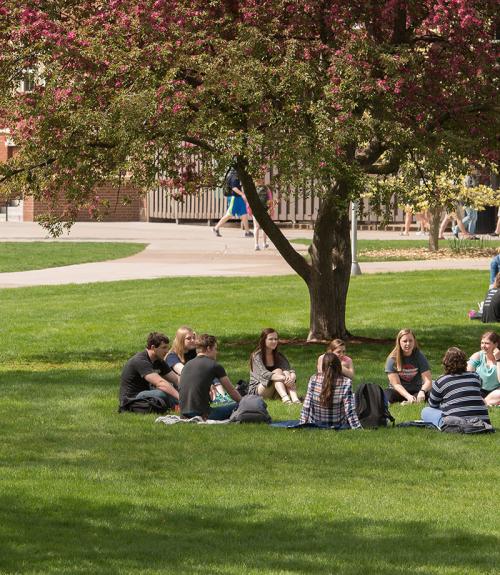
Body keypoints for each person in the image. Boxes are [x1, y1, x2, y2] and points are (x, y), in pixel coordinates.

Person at [421, 347, 491, 429]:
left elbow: (433, 404)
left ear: (445, 363)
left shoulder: (441, 380)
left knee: (425, 411)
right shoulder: (475, 376)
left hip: (456, 423)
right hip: (483, 421)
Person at [179, 334, 241, 420]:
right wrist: (244, 403)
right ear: (208, 348)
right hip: (203, 415)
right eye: (215, 349)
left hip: (183, 415)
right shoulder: (214, 365)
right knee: (238, 406)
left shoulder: (187, 365)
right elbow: (232, 392)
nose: (217, 352)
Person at [167, 325, 230, 401]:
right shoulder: (172, 356)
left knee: (211, 370)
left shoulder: (193, 352)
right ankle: (219, 397)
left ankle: (222, 396)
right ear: (181, 340)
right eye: (189, 338)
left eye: (193, 337)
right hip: (183, 386)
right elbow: (186, 372)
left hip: (196, 384)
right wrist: (207, 382)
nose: (193, 340)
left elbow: (207, 367)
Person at [300, 353, 362, 429]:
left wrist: (302, 424)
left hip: (316, 422)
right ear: (339, 366)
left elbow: (307, 405)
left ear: (323, 366)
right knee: (354, 397)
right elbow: (349, 409)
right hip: (338, 423)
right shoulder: (346, 382)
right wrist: (357, 427)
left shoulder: (314, 379)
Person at [119, 332, 180, 409]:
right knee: (161, 393)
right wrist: (179, 397)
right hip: (132, 399)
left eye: (167, 347)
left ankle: (181, 405)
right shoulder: (140, 361)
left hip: (147, 393)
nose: (167, 351)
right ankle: (177, 405)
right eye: (164, 347)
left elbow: (176, 379)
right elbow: (160, 383)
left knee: (171, 388)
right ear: (153, 347)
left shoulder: (159, 360)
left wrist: (190, 388)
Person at [248, 328, 300, 404]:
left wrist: (292, 376)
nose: (274, 341)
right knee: (278, 371)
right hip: (258, 391)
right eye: (271, 339)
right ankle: (286, 399)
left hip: (276, 389)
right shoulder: (256, 356)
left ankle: (295, 399)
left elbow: (288, 370)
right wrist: (283, 377)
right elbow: (264, 374)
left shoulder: (279, 356)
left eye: (276, 339)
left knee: (286, 373)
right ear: (263, 340)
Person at [384, 329, 432, 404]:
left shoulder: (419, 356)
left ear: (414, 342)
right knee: (386, 395)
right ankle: (411, 400)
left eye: (411, 340)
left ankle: (411, 401)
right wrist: (408, 396)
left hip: (416, 390)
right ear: (399, 342)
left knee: (432, 392)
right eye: (405, 341)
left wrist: (422, 391)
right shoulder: (392, 359)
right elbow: (396, 384)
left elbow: (428, 381)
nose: (408, 344)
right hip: (398, 392)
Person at [213, 166, 253, 238]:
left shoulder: (234, 174)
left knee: (243, 213)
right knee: (229, 214)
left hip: (238, 197)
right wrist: (242, 194)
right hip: (233, 197)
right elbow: (234, 188)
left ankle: (247, 232)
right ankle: (216, 228)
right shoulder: (234, 175)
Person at [467, 330, 500, 404]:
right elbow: (468, 376)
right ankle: (486, 402)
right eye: (482, 343)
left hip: (496, 391)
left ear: (495, 344)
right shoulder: (477, 356)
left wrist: (498, 360)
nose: (483, 346)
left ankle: (482, 402)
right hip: (478, 390)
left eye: (487, 343)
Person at [248, 176, 275, 251]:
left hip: (255, 210)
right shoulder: (266, 189)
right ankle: (264, 243)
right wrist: (271, 209)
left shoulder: (252, 189)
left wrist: (249, 210)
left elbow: (249, 201)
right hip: (265, 210)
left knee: (256, 227)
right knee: (264, 227)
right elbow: (270, 200)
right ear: (262, 180)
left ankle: (256, 244)